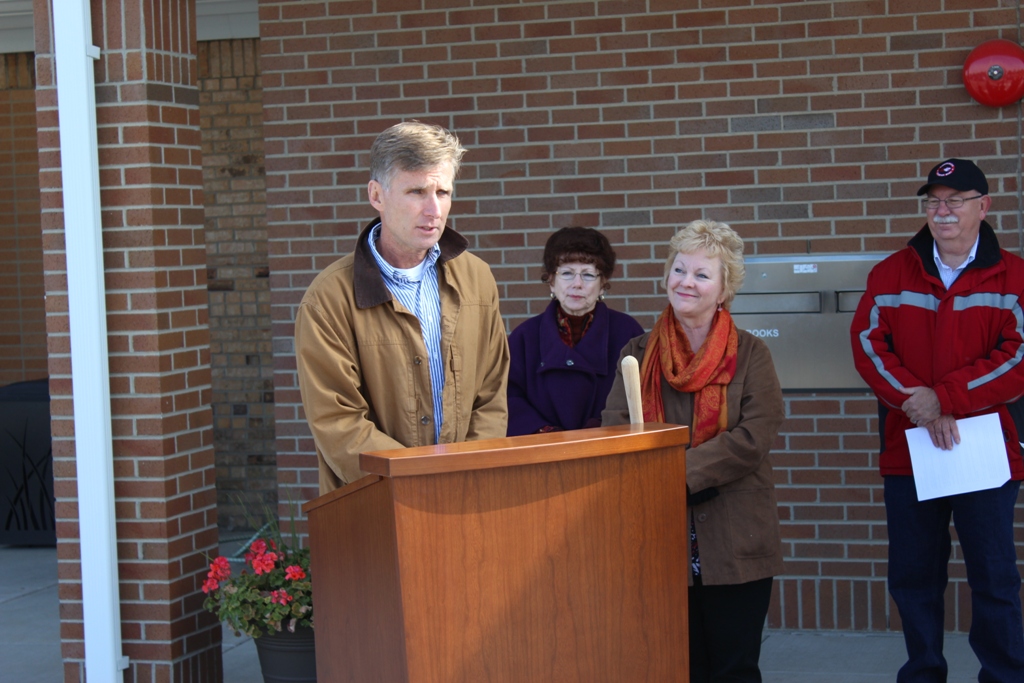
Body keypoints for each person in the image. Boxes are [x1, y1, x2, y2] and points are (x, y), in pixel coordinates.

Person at [850, 158, 1024, 682]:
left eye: (955, 200)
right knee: (913, 575)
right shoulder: (891, 272)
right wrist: (917, 401)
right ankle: (924, 671)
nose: (942, 211)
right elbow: (867, 345)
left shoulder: (1014, 275)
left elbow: (1018, 356)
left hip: (983, 449)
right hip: (910, 448)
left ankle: (1005, 673)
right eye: (933, 201)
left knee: (993, 576)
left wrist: (945, 398)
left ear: (983, 207)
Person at [602, 219, 785, 683]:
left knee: (735, 668)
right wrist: (664, 480)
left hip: (736, 537)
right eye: (679, 270)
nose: (687, 282)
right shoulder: (636, 353)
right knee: (677, 667)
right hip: (661, 538)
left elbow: (754, 438)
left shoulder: (752, 355)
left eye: (702, 275)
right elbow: (617, 432)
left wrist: (679, 474)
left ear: (724, 289)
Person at [294, 121, 510, 493]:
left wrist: (467, 476)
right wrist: (420, 483)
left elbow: (491, 397)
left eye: (443, 192)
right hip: (374, 510)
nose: (434, 209)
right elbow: (338, 422)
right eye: (417, 191)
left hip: (467, 497)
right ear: (376, 195)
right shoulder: (328, 298)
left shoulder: (478, 279)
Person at [506, 227, 644, 436]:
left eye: (588, 275)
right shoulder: (524, 337)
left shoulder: (628, 333)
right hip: (543, 456)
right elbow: (508, 398)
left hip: (608, 452)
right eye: (567, 273)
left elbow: (641, 397)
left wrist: (602, 428)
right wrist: (545, 433)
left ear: (603, 283)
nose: (577, 284)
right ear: (551, 281)